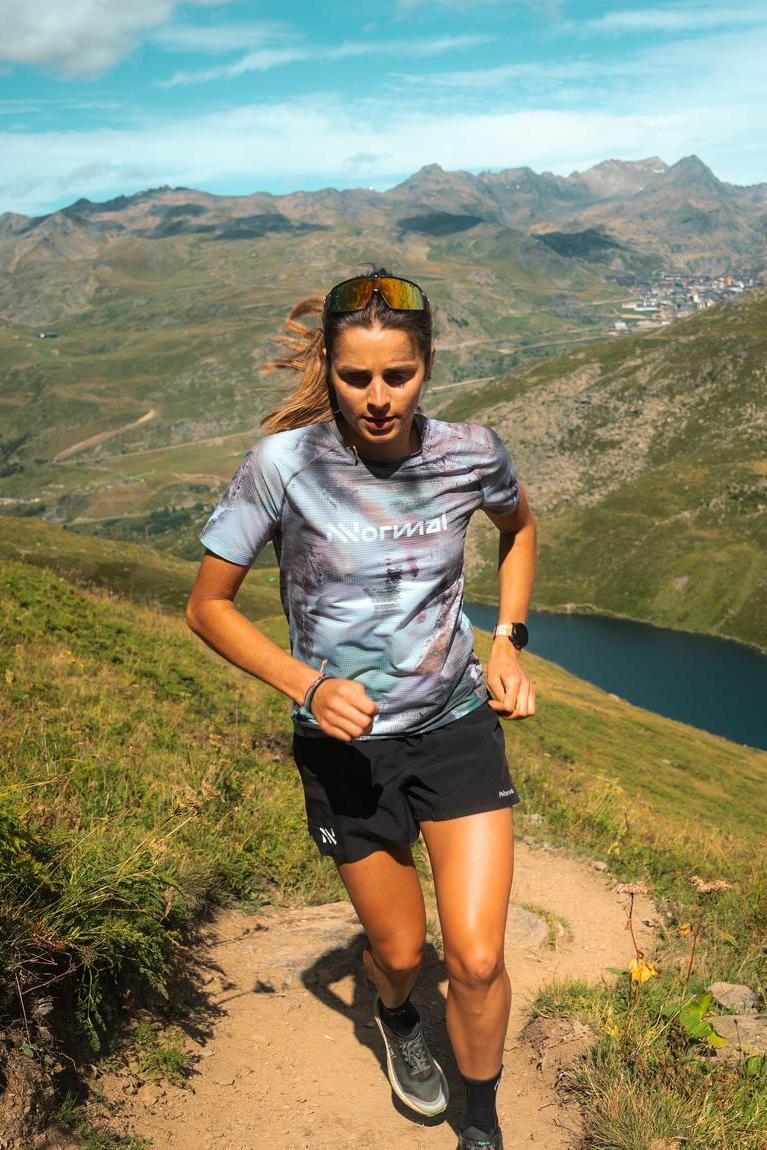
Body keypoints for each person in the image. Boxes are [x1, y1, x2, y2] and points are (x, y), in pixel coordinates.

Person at [185, 268, 538, 1150]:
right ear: (329, 371)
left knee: (479, 958)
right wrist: (306, 686)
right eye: (355, 378)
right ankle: (399, 1020)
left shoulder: (471, 450)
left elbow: (519, 528)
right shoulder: (283, 466)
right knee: (401, 955)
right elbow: (207, 606)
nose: (378, 399)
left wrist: (506, 639)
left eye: (398, 376)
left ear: (426, 366)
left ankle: (481, 1128)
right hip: (347, 752)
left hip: (456, 727)